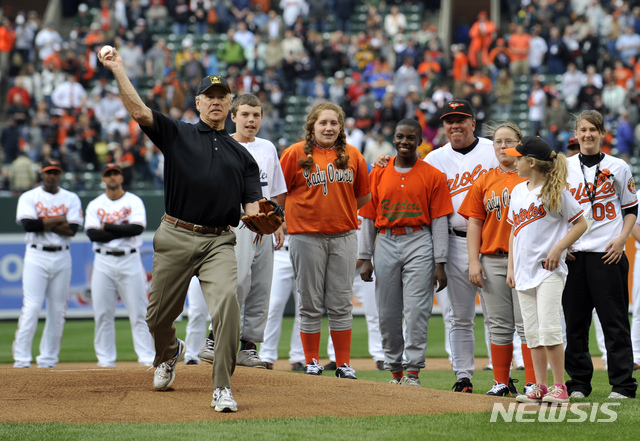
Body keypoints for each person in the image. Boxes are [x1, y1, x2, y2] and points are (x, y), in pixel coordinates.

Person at [100, 45, 262, 413]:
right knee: (157, 318)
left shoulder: (244, 157)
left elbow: (252, 206)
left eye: (223, 97)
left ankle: (222, 386)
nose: (216, 102)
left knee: (227, 307)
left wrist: (258, 218)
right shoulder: (178, 134)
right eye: (210, 96)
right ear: (199, 102)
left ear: (231, 105)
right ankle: (170, 351)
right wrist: (119, 69)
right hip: (174, 233)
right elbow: (139, 111)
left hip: (218, 240)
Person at [375, 99, 498, 393]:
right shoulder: (433, 159)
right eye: (448, 120)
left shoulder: (492, 151)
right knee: (459, 316)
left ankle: (502, 379)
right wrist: (383, 162)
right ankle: (463, 377)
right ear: (442, 126)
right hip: (454, 240)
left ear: (472, 121)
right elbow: (404, 170)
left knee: (498, 317)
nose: (455, 125)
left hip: (492, 239)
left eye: (461, 119)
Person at [189, 93, 287, 368]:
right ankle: (215, 338)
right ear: (233, 117)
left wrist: (280, 223)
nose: (250, 120)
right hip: (238, 222)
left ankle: (248, 346)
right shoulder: (223, 144)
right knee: (236, 283)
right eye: (244, 114)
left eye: (256, 115)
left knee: (260, 287)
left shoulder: (267, 147)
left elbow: (277, 191)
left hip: (265, 224)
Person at [279, 102, 371, 379]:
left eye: (334, 123)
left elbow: (363, 196)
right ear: (312, 126)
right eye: (323, 123)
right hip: (305, 237)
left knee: (341, 302)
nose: (329, 127)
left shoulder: (354, 155)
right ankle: (311, 361)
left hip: (343, 235)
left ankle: (342, 363)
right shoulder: (294, 153)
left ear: (341, 127)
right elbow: (278, 195)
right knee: (309, 301)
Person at [359, 118, 452, 386]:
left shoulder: (432, 175)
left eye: (411, 138)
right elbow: (368, 217)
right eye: (400, 136)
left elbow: (439, 221)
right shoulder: (378, 171)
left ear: (419, 142)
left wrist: (440, 262)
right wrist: (365, 258)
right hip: (385, 240)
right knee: (387, 312)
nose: (404, 142)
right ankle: (395, 371)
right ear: (394, 138)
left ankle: (412, 372)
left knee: (416, 311)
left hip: (419, 240)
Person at [504, 136, 587, 404]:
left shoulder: (556, 190)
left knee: (550, 330)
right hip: (524, 272)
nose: (513, 161)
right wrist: (511, 267)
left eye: (518, 158)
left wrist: (558, 249)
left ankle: (559, 387)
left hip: (549, 271)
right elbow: (514, 232)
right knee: (532, 334)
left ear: (531, 162)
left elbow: (580, 224)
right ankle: (540, 386)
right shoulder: (518, 191)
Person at [564, 110, 639, 400]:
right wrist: (564, 244)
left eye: (593, 129)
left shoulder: (618, 166)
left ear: (602, 133)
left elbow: (631, 209)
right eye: (582, 130)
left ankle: (623, 386)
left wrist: (621, 240)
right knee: (575, 326)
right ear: (576, 133)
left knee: (615, 323)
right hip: (575, 257)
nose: (587, 135)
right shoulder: (565, 167)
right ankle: (579, 384)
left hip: (608, 255)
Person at [458, 122, 535, 396]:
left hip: (527, 261)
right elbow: (475, 225)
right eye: (498, 142)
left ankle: (533, 383)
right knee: (500, 326)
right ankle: (501, 382)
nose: (503, 146)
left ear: (520, 144)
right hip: (492, 259)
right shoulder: (484, 180)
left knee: (527, 325)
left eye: (509, 141)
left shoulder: (533, 177)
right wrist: (474, 260)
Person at [13, 159, 83, 368]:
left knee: (57, 309)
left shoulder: (71, 197)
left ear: (60, 175)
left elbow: (71, 230)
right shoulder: (29, 197)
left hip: (62, 255)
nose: (52, 176)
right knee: (32, 307)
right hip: (36, 255)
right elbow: (29, 225)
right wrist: (58, 219)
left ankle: (48, 358)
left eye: (55, 172)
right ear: (41, 174)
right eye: (48, 172)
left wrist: (43, 221)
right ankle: (21, 358)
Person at [84, 163, 155, 367]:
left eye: (115, 174)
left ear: (121, 177)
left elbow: (135, 229)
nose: (112, 177)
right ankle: (105, 360)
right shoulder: (95, 204)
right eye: (108, 174)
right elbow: (92, 234)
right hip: (103, 261)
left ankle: (146, 357)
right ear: (103, 179)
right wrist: (120, 229)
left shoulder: (133, 201)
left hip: (129, 259)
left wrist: (106, 226)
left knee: (139, 311)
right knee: (103, 313)